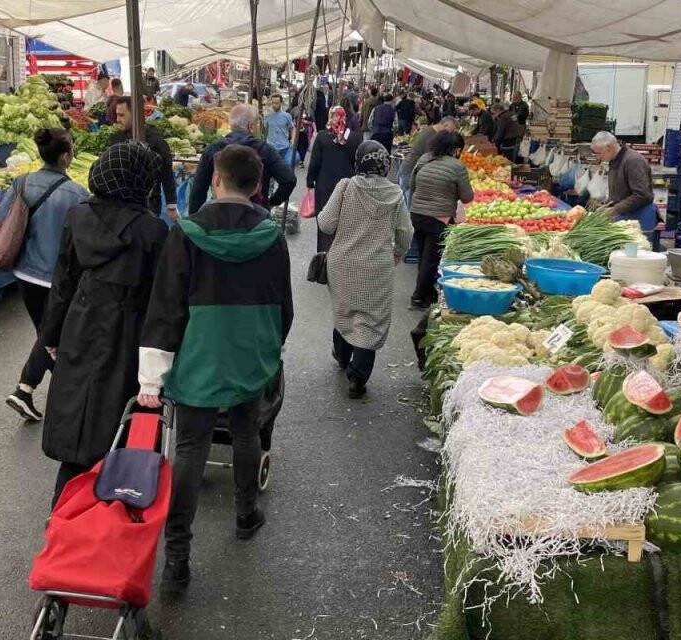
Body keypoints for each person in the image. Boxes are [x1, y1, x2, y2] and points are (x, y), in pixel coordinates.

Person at [137, 144, 293, 597]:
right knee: (246, 432)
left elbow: (165, 308)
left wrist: (152, 377)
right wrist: (271, 347)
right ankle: (245, 514)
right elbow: (283, 304)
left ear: (216, 180)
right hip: (250, 351)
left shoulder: (186, 234)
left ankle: (177, 559)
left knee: (189, 447)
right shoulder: (271, 236)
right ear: (258, 186)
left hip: (198, 351)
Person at [37, 141, 171, 506]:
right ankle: (110, 505)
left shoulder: (78, 216)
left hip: (80, 322)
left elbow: (62, 282)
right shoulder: (152, 231)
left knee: (76, 408)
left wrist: (51, 335)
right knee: (118, 417)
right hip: (128, 331)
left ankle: (64, 505)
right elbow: (160, 299)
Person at [0, 128, 91, 421]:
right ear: (65, 157)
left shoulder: (22, 182)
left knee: (48, 332)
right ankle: (28, 390)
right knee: (51, 335)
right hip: (57, 279)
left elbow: (1, 218)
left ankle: (36, 391)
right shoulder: (77, 194)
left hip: (25, 274)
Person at [318, 141, 411, 398]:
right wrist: (398, 252)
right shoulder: (395, 194)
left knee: (345, 310)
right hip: (377, 268)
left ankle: (341, 356)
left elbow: (325, 223)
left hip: (343, 264)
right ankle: (358, 377)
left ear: (358, 163)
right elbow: (405, 233)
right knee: (371, 320)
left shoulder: (345, 187)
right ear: (385, 165)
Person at [188, 104, 296, 215]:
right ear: (251, 127)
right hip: (256, 215)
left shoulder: (214, 149)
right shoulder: (265, 149)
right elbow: (289, 180)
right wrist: (272, 202)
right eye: (257, 124)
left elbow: (198, 189)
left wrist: (194, 217)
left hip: (220, 215)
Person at [409, 130, 473, 307]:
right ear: (456, 149)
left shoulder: (424, 159)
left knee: (424, 255)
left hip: (417, 214)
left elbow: (412, 185)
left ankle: (428, 293)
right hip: (439, 217)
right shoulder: (457, 166)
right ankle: (418, 296)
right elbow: (467, 197)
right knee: (431, 259)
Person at [307, 106, 365, 251]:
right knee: (344, 223)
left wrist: (310, 182)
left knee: (324, 224)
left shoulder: (322, 136)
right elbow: (358, 163)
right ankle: (340, 254)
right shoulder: (355, 138)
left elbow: (315, 163)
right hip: (347, 187)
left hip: (324, 187)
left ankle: (323, 255)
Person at [112, 97, 178, 222]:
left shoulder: (155, 140)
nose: (117, 119)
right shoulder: (116, 140)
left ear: (136, 115)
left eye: (121, 115)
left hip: (150, 205)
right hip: (121, 205)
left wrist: (171, 206)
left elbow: (166, 173)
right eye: (117, 115)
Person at [590, 131, 657, 232]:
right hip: (625, 216)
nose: (598, 157)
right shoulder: (614, 160)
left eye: (599, 153)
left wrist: (614, 209)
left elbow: (642, 195)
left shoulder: (633, 161)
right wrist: (606, 205)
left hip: (640, 217)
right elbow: (620, 193)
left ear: (608, 148)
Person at [400, 116, 458, 208]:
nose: (451, 134)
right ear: (446, 125)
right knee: (411, 206)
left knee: (410, 204)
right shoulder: (432, 136)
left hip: (411, 169)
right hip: (411, 172)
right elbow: (430, 159)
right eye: (452, 130)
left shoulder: (430, 131)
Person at [263, 95, 294, 162]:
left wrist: (292, 140)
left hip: (284, 147)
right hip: (271, 147)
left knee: (282, 166)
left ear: (281, 103)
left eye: (276, 103)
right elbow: (265, 130)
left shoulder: (287, 116)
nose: (274, 105)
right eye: (273, 103)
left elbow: (292, 128)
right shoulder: (267, 116)